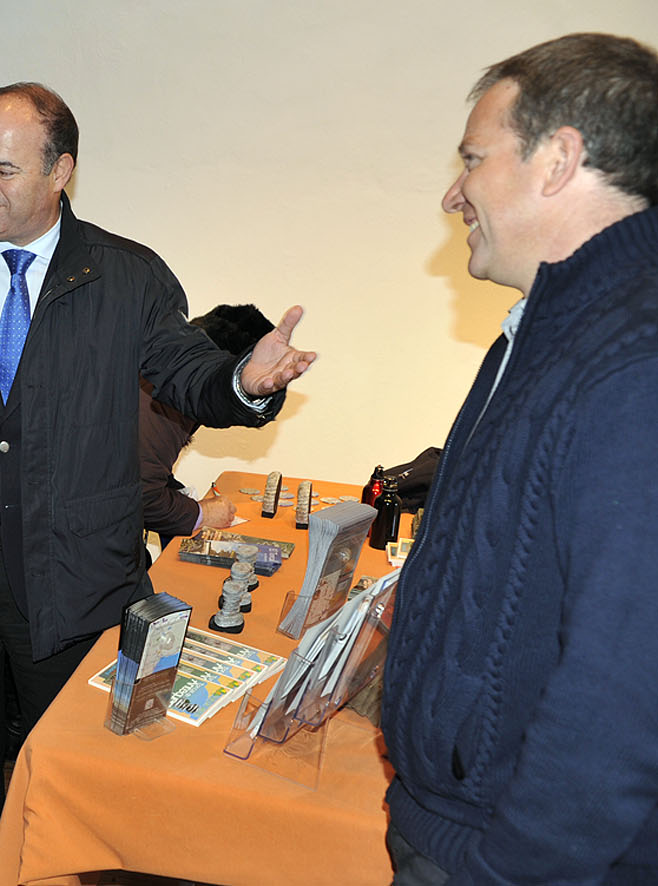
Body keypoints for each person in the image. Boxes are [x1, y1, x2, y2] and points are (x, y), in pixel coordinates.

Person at [0, 82, 315, 886]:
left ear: (62, 172)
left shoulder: (126, 276)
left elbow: (188, 374)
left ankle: (57, 862)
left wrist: (245, 383)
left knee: (71, 741)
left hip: (75, 565)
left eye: (6, 169)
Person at [382, 33, 658, 884]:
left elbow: (623, 688)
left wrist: (509, 869)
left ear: (559, 160)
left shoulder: (631, 363)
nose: (452, 192)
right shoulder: (546, 330)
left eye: (473, 158)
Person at [140, 303, 275, 550]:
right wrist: (200, 514)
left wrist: (179, 495)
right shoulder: (167, 401)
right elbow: (140, 496)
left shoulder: (169, 375)